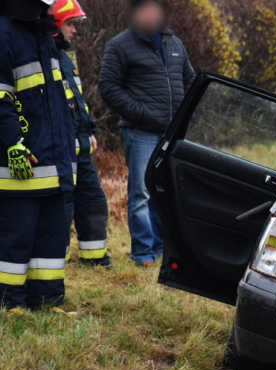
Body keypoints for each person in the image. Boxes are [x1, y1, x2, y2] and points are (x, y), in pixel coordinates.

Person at [99, 0, 195, 267]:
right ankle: (143, 253)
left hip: (171, 134)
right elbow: (108, 86)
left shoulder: (174, 43)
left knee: (163, 192)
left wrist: (185, 115)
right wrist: (140, 113)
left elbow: (190, 80)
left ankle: (162, 247)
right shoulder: (120, 45)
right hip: (140, 132)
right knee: (141, 192)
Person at [0, 0, 76, 314]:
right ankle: (9, 302)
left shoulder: (44, 35)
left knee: (52, 237)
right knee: (15, 238)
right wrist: (13, 143)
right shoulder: (5, 32)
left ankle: (48, 300)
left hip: (54, 159)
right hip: (22, 163)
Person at [52, 0, 112, 267]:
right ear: (55, 23)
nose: (74, 31)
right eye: (70, 23)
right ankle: (56, 259)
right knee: (61, 208)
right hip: (60, 151)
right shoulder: (43, 56)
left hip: (80, 148)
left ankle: (94, 257)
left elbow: (77, 101)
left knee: (93, 201)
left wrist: (89, 132)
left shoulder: (64, 58)